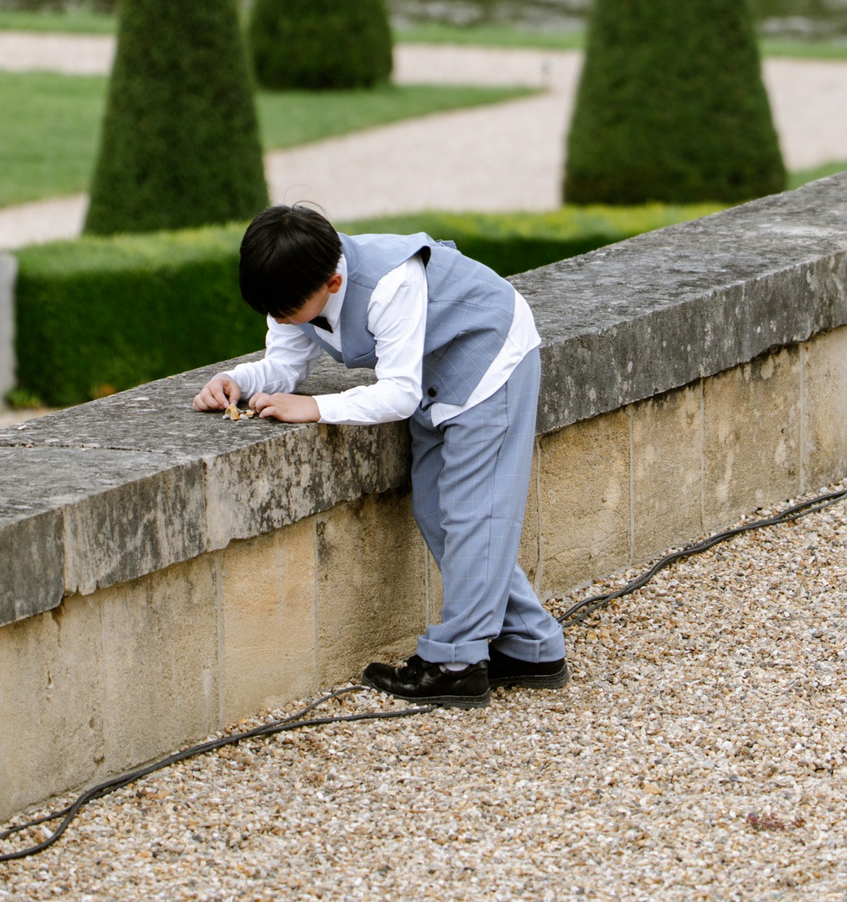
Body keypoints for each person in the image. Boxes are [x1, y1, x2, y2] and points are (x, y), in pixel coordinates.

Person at [193, 204, 567, 705]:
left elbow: (398, 395)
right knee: (437, 510)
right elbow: (284, 362)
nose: (281, 318)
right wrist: (237, 381)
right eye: (273, 310)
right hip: (434, 374)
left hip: (489, 359)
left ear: (331, 283)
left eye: (286, 310)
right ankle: (529, 644)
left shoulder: (391, 282)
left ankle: (458, 663)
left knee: (477, 515)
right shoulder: (292, 282)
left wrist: (315, 408)